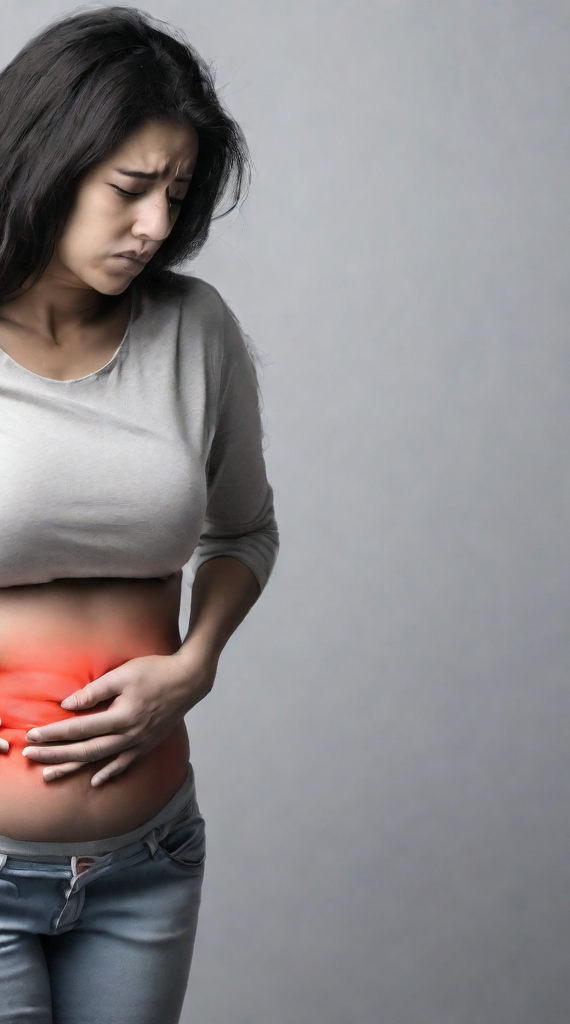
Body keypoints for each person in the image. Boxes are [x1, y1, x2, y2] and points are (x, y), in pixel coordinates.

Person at [0, 6, 279, 1023]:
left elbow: (244, 531)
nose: (157, 224)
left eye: (177, 190)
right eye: (129, 188)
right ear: (46, 157)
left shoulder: (192, 329)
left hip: (149, 860)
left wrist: (195, 660)